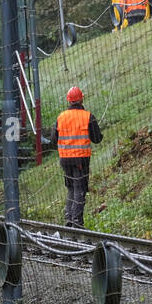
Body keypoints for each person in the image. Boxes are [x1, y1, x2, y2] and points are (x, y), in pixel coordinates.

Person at [50, 86, 103, 229]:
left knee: (71, 188)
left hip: (65, 159)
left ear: (69, 100)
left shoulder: (61, 117)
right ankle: (76, 221)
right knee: (80, 188)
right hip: (81, 159)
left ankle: (69, 217)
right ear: (81, 99)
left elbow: (53, 139)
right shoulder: (88, 116)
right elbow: (97, 138)